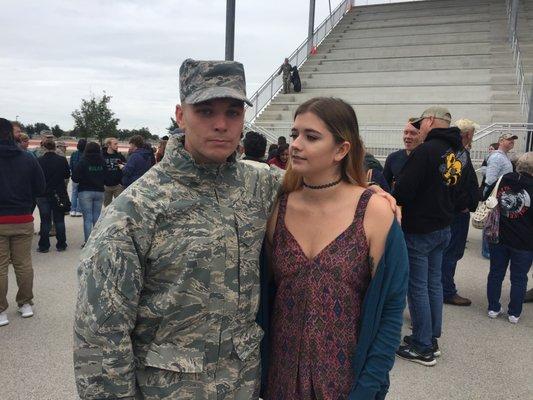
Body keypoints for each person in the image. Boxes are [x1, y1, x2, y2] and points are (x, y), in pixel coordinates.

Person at [72, 59, 399, 400]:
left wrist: (371, 194)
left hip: (243, 387)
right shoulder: (136, 210)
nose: (221, 125)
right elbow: (100, 337)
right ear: (180, 116)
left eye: (232, 112)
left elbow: (324, 184)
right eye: (205, 111)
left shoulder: (258, 184)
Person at [262, 97, 408, 399]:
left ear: (341, 149)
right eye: (294, 135)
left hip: (344, 383)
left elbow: (391, 312)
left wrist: (367, 387)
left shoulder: (374, 212)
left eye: (311, 136)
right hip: (282, 379)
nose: (296, 145)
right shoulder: (278, 206)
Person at [394, 106, 463, 366]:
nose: (419, 127)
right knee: (433, 284)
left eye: (421, 123)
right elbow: (463, 189)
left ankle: (423, 345)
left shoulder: (426, 151)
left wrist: (396, 188)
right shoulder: (457, 151)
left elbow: (404, 190)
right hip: (444, 225)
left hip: (421, 228)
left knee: (418, 287)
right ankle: (431, 337)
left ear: (430, 121)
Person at [0, 118, 45, 326]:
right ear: (12, 133)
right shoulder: (27, 158)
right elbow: (40, 187)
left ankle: (1, 310)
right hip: (23, 217)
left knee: (1, 267)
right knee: (23, 263)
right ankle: (25, 303)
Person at [487, 152, 533, 324]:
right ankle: (514, 313)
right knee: (519, 277)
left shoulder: (505, 179)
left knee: (495, 273)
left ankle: (493, 308)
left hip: (499, 235)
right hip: (525, 241)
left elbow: (489, 197)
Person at [440, 119, 480, 306]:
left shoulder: (457, 152)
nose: (472, 137)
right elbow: (451, 183)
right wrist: (463, 204)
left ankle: (444, 288)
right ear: (467, 134)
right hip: (456, 213)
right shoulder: (458, 153)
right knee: (452, 252)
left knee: (450, 252)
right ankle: (446, 291)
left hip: (455, 211)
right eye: (471, 133)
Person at [36, 138, 70, 252]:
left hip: (43, 193)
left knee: (45, 220)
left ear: (44, 148)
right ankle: (61, 244)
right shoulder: (61, 160)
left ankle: (44, 245)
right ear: (55, 147)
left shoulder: (39, 160)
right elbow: (66, 175)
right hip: (58, 192)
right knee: (59, 220)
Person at [72, 142, 106, 246]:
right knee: (96, 216)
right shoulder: (102, 161)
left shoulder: (83, 161)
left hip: (85, 191)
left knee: (87, 218)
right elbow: (107, 175)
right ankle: (96, 241)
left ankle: (88, 242)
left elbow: (75, 177)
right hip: (99, 190)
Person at [383, 119, 422, 189]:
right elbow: (384, 186)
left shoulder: (428, 158)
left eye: (413, 133)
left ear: (422, 135)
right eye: (405, 132)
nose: (408, 136)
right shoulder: (393, 158)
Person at [102, 137, 126, 207]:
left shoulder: (119, 156)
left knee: (119, 206)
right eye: (115, 144)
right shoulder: (102, 156)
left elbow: (125, 166)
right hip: (106, 186)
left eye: (117, 144)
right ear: (109, 145)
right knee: (107, 207)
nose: (117, 145)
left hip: (118, 186)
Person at [69, 139, 86, 217]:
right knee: (81, 194)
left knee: (74, 193)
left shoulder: (73, 154)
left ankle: (73, 210)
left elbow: (71, 166)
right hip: (83, 177)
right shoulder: (86, 156)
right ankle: (79, 210)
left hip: (74, 176)